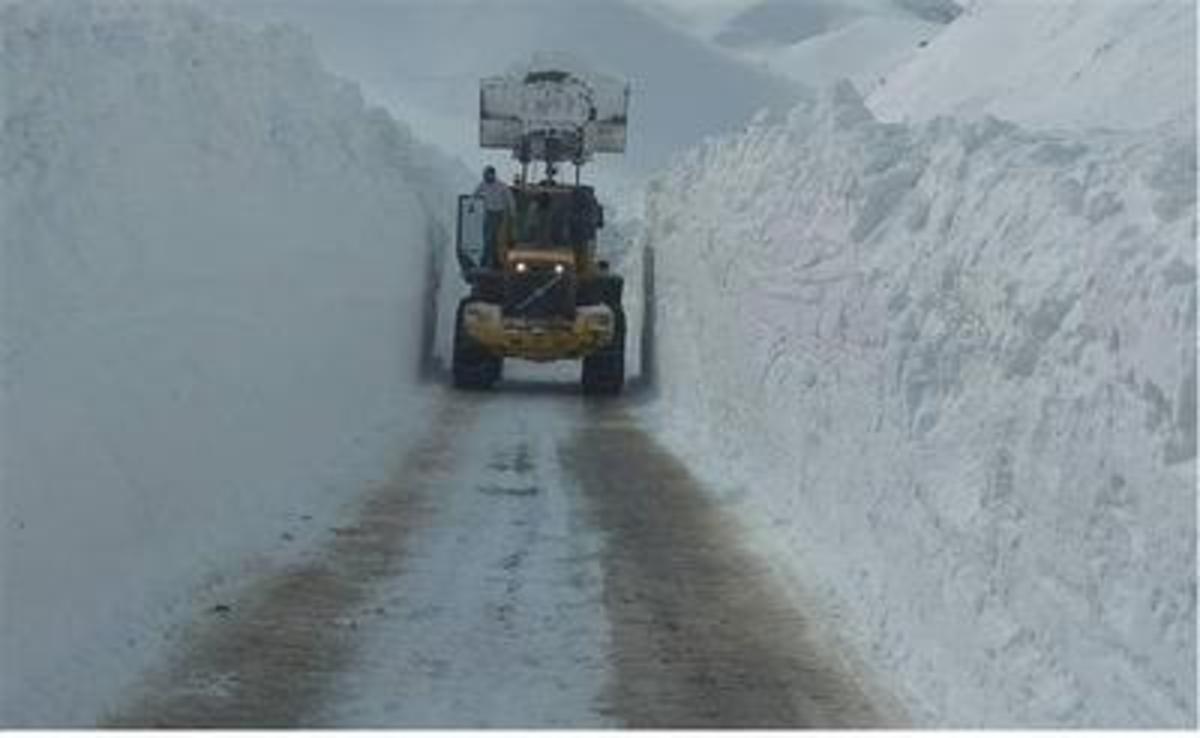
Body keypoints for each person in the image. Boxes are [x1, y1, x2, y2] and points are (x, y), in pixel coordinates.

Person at [473, 165, 514, 268]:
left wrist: (512, 211)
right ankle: (486, 260)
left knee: (496, 237)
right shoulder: (483, 185)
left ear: (492, 175)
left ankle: (495, 260)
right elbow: (475, 194)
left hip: (499, 213)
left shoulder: (501, 186)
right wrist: (471, 204)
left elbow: (509, 198)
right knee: (487, 237)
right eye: (485, 175)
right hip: (489, 213)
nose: (486, 177)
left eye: (488, 175)